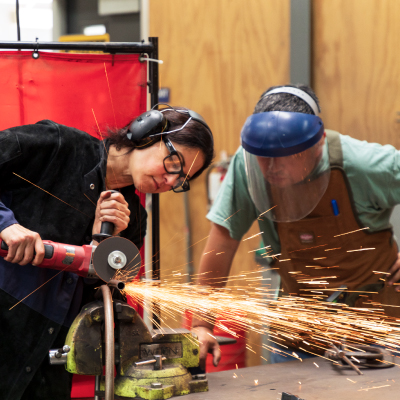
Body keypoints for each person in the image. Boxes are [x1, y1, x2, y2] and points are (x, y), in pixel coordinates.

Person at [0, 106, 214, 400]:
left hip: (48, 360)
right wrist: (5, 224)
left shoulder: (134, 221)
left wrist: (108, 244)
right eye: (174, 164)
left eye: (181, 180)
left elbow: (106, 306)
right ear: (147, 131)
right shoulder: (58, 146)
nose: (170, 181)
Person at [191, 84, 400, 369]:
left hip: (378, 331)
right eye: (263, 157)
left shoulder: (367, 164)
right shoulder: (246, 163)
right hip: (299, 333)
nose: (272, 167)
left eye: (285, 156)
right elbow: (222, 245)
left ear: (317, 144)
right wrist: (202, 325)